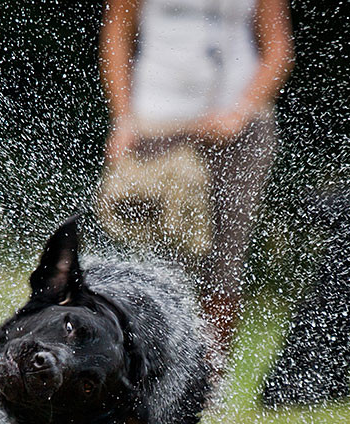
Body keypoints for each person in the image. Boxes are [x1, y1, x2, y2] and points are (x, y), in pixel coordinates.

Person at [99, 0, 294, 367]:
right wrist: (123, 118)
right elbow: (117, 36)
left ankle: (206, 383)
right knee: (156, 260)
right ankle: (150, 371)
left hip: (237, 133)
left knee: (224, 261)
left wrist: (242, 110)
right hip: (155, 126)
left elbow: (279, 49)